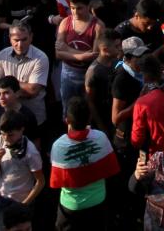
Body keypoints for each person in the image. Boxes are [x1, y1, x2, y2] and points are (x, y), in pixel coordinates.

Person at [49, 98, 118, 230]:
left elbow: (56, 181)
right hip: (98, 203)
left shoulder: (58, 146)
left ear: (67, 120)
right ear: (89, 118)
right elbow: (111, 169)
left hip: (71, 208)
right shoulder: (101, 137)